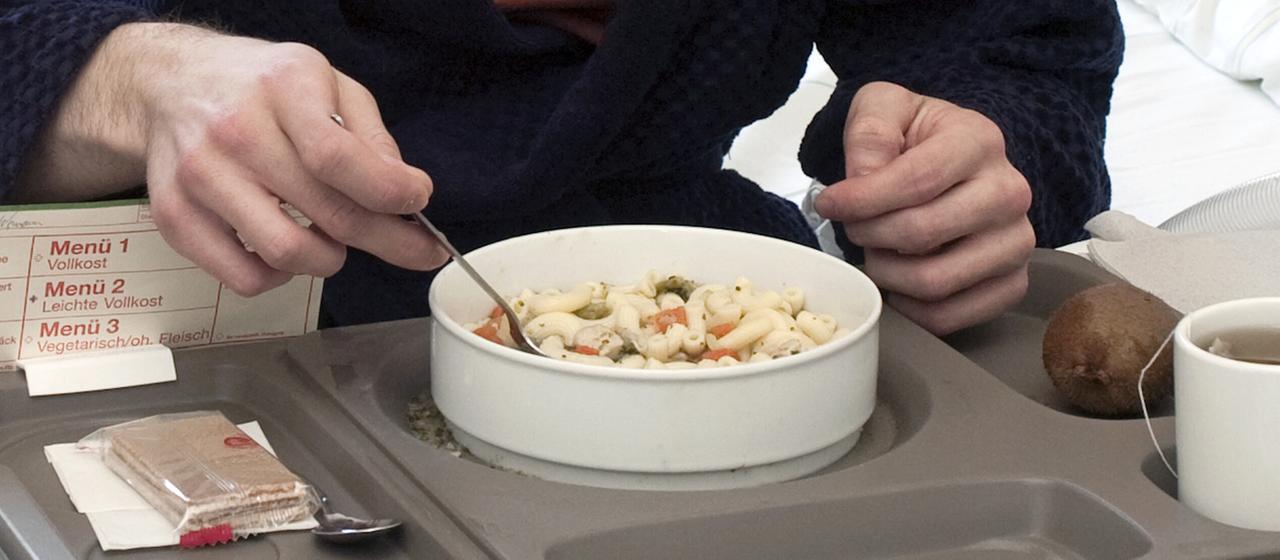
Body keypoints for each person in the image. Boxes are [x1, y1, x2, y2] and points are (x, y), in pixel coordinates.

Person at [0, 1, 1122, 335]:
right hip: (155, 327)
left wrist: (978, 156)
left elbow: (1011, 38)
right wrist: (122, 75)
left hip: (696, 334)